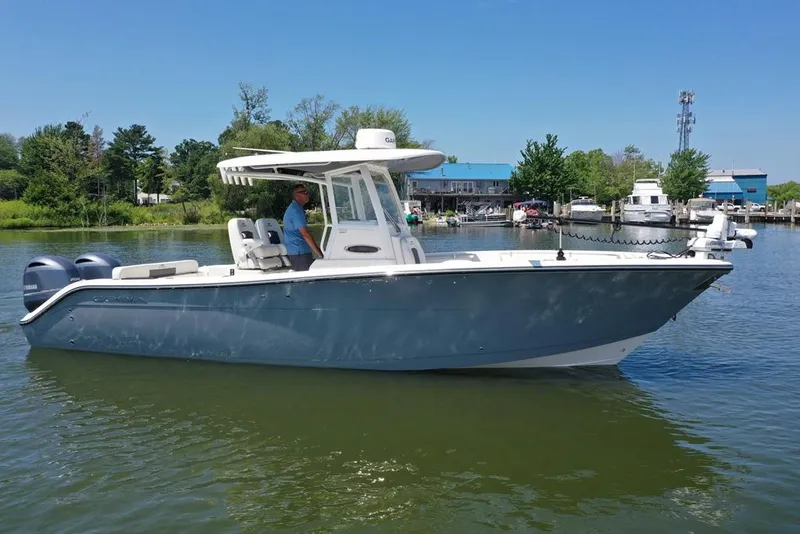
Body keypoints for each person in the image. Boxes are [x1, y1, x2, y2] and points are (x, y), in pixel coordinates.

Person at [283, 183, 324, 271]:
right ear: (297, 195)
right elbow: (306, 234)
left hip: (300, 251)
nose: (307, 194)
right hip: (299, 252)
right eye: (304, 192)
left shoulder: (297, 208)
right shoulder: (295, 211)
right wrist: (320, 254)